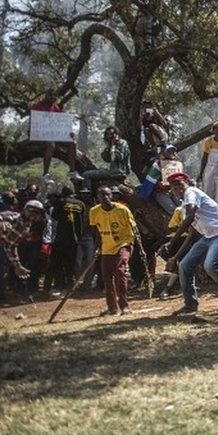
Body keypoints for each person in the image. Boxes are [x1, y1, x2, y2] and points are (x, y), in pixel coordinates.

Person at [163, 172, 218, 314]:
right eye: (174, 188)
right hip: (209, 236)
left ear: (186, 183)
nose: (178, 190)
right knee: (184, 265)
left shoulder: (191, 192)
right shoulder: (184, 206)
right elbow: (192, 234)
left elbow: (190, 217)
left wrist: (171, 242)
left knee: (210, 265)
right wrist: (175, 257)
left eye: (180, 186)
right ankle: (190, 304)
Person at [88, 187, 144, 315]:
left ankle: (124, 306)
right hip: (107, 247)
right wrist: (97, 247)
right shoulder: (94, 211)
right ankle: (112, 308)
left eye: (107, 195)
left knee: (120, 270)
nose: (105, 197)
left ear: (111, 196)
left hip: (124, 243)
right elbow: (95, 231)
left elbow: (134, 228)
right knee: (107, 277)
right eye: (102, 195)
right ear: (98, 197)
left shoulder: (122, 210)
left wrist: (140, 247)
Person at [31, 89, 79, 180]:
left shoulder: (55, 107)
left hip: (54, 135)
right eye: (50, 97)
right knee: (51, 144)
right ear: (46, 96)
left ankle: (72, 171)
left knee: (72, 142)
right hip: (40, 135)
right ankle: (46, 174)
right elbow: (34, 123)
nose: (52, 100)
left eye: (54, 98)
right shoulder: (37, 106)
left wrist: (68, 132)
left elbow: (59, 124)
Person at [44, 186, 86, 292]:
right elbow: (83, 220)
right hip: (75, 239)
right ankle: (70, 289)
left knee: (53, 264)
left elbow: (55, 217)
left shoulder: (60, 202)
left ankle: (46, 288)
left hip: (61, 238)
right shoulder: (81, 204)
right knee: (70, 265)